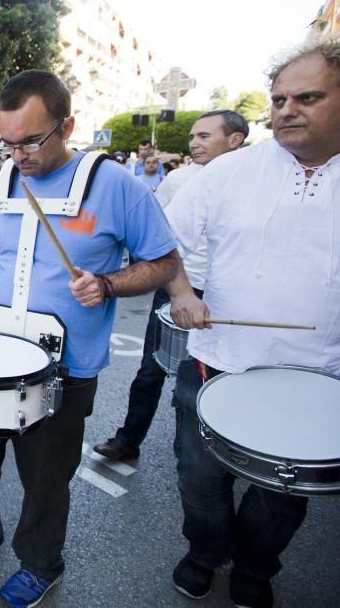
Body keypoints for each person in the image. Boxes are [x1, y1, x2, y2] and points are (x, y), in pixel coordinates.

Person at [0, 70, 179, 607]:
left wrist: (109, 282)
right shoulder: (3, 178)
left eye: (31, 140)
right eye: (8, 142)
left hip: (65, 368)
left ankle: (40, 562)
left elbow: (163, 260)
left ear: (67, 124)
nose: (18, 154)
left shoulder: (115, 183)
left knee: (45, 480)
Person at [164, 41, 340, 608]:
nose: (286, 109)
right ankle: (204, 552)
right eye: (279, 98)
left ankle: (256, 569)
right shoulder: (229, 173)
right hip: (218, 359)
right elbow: (166, 245)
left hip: (315, 376)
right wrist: (184, 291)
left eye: (307, 97)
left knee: (282, 494)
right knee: (199, 476)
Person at [93, 109, 248, 462]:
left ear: (235, 140)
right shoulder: (179, 179)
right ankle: (128, 439)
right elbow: (159, 233)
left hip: (226, 296)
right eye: (192, 136)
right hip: (177, 286)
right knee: (151, 368)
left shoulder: (256, 180)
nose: (194, 142)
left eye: (204, 136)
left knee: (209, 376)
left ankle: (205, 452)